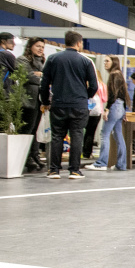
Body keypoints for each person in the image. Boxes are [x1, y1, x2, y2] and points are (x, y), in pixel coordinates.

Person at [40, 31, 98, 179]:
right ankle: (74, 170)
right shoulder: (86, 61)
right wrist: (85, 96)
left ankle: (54, 170)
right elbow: (94, 85)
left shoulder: (52, 59)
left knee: (57, 136)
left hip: (58, 103)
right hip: (78, 105)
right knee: (77, 135)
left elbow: (44, 83)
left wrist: (46, 101)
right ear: (78, 43)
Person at [89, 56, 129, 171]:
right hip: (120, 106)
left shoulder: (113, 75)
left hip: (115, 106)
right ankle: (121, 164)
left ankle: (101, 162)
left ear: (114, 62)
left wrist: (107, 109)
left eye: (107, 61)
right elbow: (123, 94)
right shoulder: (120, 74)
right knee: (118, 135)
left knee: (104, 134)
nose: (105, 63)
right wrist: (124, 111)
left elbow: (113, 94)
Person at [16, 37, 46, 172]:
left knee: (35, 130)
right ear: (30, 46)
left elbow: (46, 79)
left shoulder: (42, 62)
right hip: (27, 101)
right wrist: (41, 76)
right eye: (38, 46)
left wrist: (41, 75)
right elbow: (28, 76)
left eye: (42, 47)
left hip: (39, 101)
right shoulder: (22, 59)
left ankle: (35, 156)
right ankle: (26, 157)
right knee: (27, 130)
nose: (40, 49)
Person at [83, 68, 107, 159]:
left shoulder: (86, 83)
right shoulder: (102, 85)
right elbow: (104, 99)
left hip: (86, 110)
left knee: (84, 131)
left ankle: (84, 151)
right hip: (97, 111)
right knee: (91, 132)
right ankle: (88, 152)